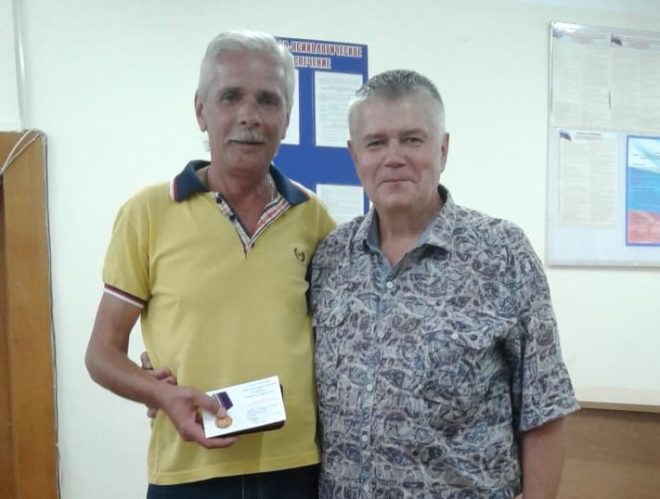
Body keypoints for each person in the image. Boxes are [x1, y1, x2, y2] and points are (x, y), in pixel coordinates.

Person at [85, 30, 335, 498]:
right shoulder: (147, 213)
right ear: (201, 110)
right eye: (230, 96)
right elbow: (101, 354)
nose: (249, 116)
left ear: (286, 118)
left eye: (268, 100)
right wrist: (158, 392)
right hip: (187, 471)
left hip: (295, 469)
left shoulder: (315, 219)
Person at [310, 70, 580, 498]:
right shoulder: (330, 258)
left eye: (412, 139)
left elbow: (543, 407)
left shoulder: (501, 253)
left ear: (443, 148)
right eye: (376, 143)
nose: (393, 157)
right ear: (354, 155)